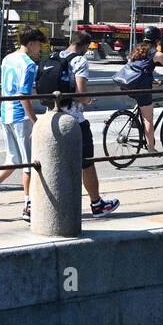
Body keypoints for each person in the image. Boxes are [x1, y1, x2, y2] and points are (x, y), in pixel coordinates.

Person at [0, 27, 44, 222]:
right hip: (21, 116)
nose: (39, 49)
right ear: (31, 43)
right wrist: (35, 121)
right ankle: (28, 206)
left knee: (13, 158)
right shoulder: (29, 65)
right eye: (39, 45)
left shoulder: (7, 59)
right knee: (29, 163)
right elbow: (24, 95)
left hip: (5, 113)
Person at [58, 30, 119, 217]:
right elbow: (81, 93)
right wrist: (89, 101)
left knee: (55, 164)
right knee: (87, 163)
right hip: (75, 121)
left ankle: (52, 205)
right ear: (85, 46)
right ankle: (97, 204)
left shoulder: (56, 57)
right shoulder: (80, 61)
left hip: (53, 117)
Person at [113, 27, 163, 152]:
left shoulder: (137, 51)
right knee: (148, 119)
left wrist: (154, 81)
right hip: (140, 87)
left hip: (127, 84)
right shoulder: (157, 54)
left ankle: (134, 119)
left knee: (143, 105)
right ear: (157, 40)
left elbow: (140, 70)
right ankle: (151, 147)